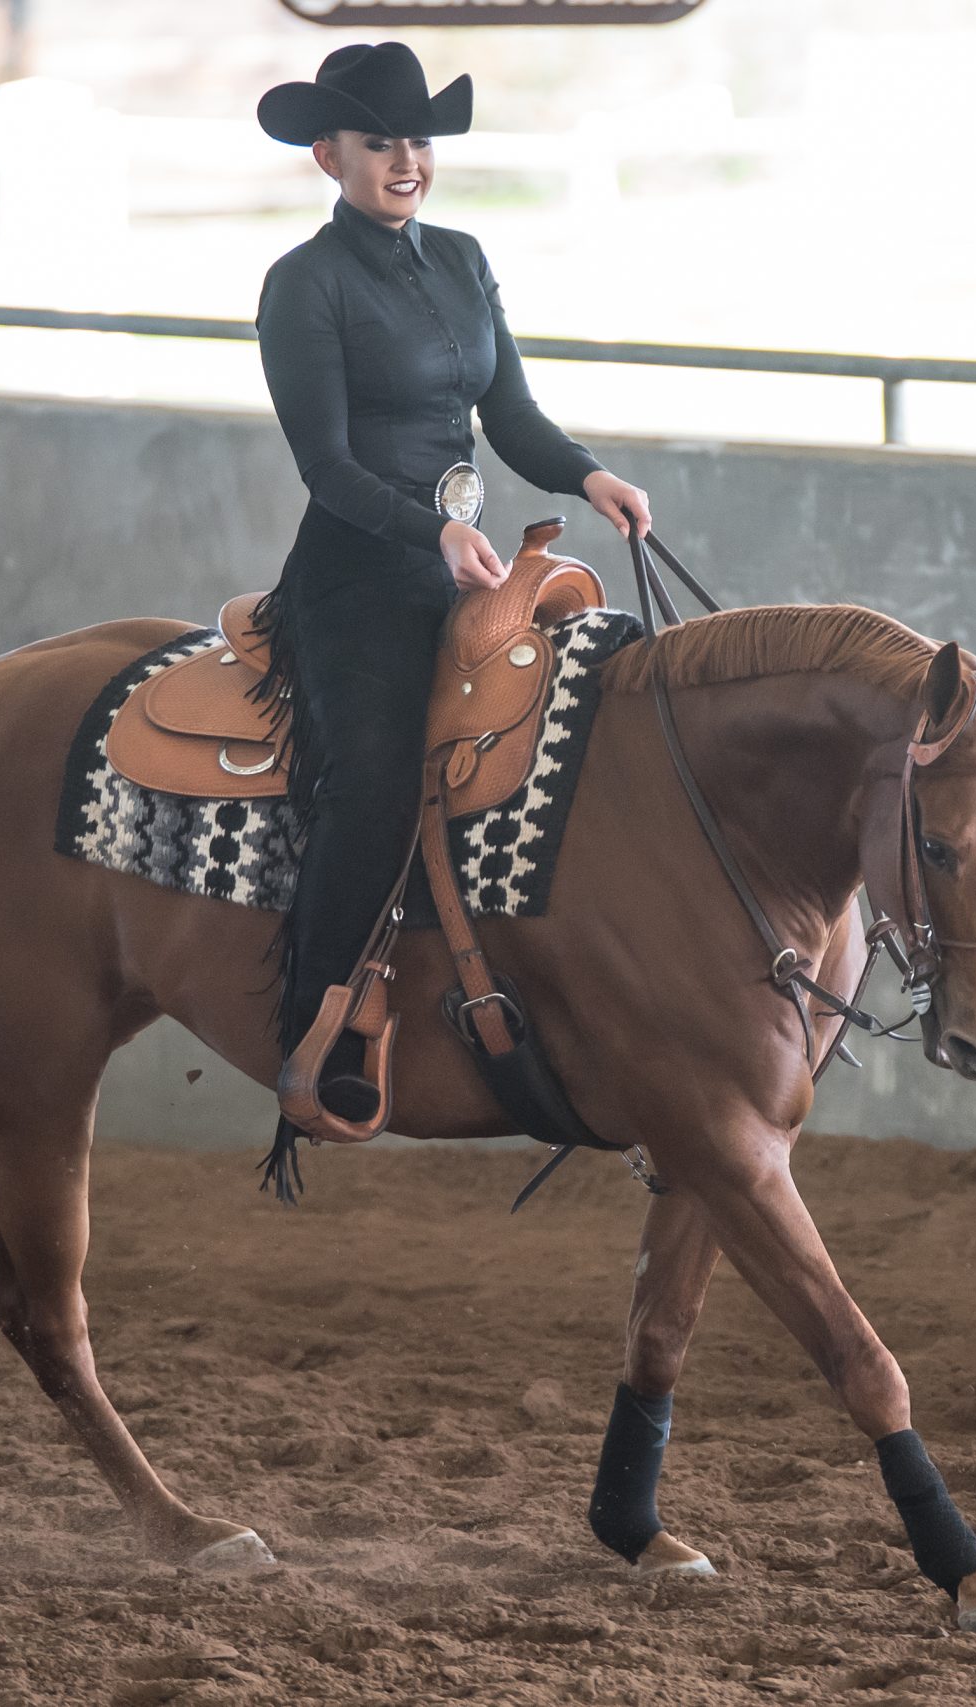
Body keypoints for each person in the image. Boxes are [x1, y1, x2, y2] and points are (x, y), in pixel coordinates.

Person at [249, 42, 653, 1166]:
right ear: (328, 155)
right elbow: (324, 468)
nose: (406, 159)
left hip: (462, 562)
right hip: (356, 576)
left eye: (419, 139)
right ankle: (316, 1037)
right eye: (380, 142)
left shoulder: (465, 261)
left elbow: (510, 418)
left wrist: (586, 475)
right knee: (375, 778)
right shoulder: (303, 284)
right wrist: (430, 528)